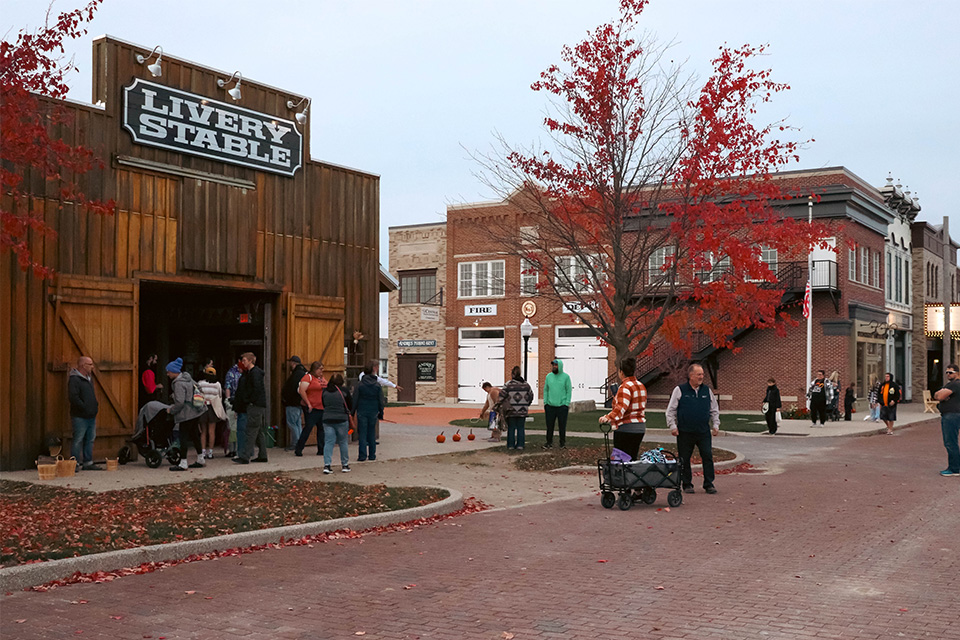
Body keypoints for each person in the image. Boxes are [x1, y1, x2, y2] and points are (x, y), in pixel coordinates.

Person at [666, 363, 721, 494]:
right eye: (699, 374)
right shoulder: (680, 390)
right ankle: (687, 484)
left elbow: (714, 409)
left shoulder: (706, 391)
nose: (701, 377)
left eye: (702, 374)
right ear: (691, 375)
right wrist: (672, 426)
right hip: (685, 431)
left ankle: (709, 484)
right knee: (684, 458)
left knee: (707, 456)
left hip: (703, 431)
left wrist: (716, 424)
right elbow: (670, 410)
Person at [598, 357, 646, 460]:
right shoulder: (641, 385)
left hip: (626, 428)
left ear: (621, 372)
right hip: (640, 427)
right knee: (632, 459)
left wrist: (607, 417)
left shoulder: (625, 387)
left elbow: (620, 408)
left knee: (621, 461)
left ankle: (622, 476)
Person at [165, 357, 206, 471]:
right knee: (194, 435)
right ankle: (200, 458)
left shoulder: (178, 383)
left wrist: (171, 410)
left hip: (186, 414)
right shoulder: (188, 378)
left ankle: (183, 463)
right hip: (196, 411)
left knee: (183, 436)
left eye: (168, 372)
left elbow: (180, 402)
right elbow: (199, 388)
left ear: (174, 371)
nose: (167, 374)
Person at [233, 352, 268, 464]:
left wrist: (249, 400)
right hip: (257, 404)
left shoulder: (254, 373)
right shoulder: (251, 373)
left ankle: (245, 456)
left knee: (251, 430)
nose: (243, 363)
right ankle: (262, 455)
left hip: (255, 405)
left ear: (250, 361)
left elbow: (256, 389)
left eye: (244, 360)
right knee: (258, 431)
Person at [68, 355, 101, 471]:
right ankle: (75, 463)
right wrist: (84, 407)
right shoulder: (75, 379)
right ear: (83, 365)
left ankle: (88, 462)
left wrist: (95, 406)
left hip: (91, 415)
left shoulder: (89, 379)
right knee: (78, 439)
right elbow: (73, 397)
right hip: (80, 416)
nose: (92, 367)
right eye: (90, 364)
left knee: (90, 439)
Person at [353, 363, 386, 462]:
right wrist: (381, 412)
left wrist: (352, 411)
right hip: (373, 410)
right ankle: (372, 455)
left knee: (362, 433)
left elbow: (355, 399)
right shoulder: (377, 385)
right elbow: (381, 400)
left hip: (362, 410)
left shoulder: (360, 385)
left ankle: (362, 455)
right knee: (371, 433)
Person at [321, 373, 353, 473]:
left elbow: (323, 404)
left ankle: (327, 465)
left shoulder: (325, 391)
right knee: (343, 442)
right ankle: (345, 464)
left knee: (328, 442)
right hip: (341, 419)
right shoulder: (344, 391)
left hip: (327, 419)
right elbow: (350, 405)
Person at [496, 366, 533, 450]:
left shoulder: (508, 385)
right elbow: (531, 396)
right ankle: (520, 445)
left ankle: (511, 445)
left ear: (512, 374)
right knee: (521, 428)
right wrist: (526, 404)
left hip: (511, 410)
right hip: (522, 410)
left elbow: (501, 397)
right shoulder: (526, 385)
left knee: (511, 428)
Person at [933, 363, 960, 477]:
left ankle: (954, 468)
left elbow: (938, 396)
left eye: (951, 372)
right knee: (952, 441)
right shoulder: (951, 385)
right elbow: (937, 394)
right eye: (947, 372)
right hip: (952, 414)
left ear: (957, 373)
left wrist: (941, 393)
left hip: (951, 415)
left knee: (950, 442)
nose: (948, 374)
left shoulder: (954, 385)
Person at [295, 361, 327, 456]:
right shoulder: (308, 377)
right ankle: (299, 448)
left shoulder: (321, 378)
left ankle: (321, 449)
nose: (322, 371)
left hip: (321, 406)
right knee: (308, 427)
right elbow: (302, 390)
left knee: (321, 428)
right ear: (315, 369)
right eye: (320, 369)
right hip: (311, 407)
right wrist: (308, 403)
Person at [197, 366, 227, 459]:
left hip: (203, 407)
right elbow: (220, 395)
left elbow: (197, 394)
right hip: (213, 408)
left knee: (203, 431)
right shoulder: (217, 384)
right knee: (212, 431)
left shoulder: (200, 383)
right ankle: (210, 452)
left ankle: (202, 451)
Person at [543, 359, 572, 449]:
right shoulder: (548, 376)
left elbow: (569, 390)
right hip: (550, 406)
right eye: (553, 365)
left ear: (560, 366)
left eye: (556, 365)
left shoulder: (566, 377)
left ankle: (562, 443)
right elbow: (546, 390)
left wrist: (566, 403)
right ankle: (548, 442)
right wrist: (545, 402)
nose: (554, 367)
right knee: (549, 426)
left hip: (562, 406)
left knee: (562, 426)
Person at [282, 356, 307, 450]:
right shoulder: (303, 373)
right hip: (299, 402)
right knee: (298, 423)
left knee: (292, 423)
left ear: (293, 363)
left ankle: (296, 443)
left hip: (292, 402)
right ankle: (300, 442)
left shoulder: (296, 374)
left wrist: (286, 398)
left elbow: (291, 388)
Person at [224, 358, 243, 457]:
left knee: (234, 426)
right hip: (234, 401)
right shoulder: (232, 373)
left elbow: (227, 387)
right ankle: (234, 449)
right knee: (234, 426)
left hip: (238, 402)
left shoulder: (242, 372)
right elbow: (228, 387)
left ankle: (235, 450)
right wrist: (228, 401)